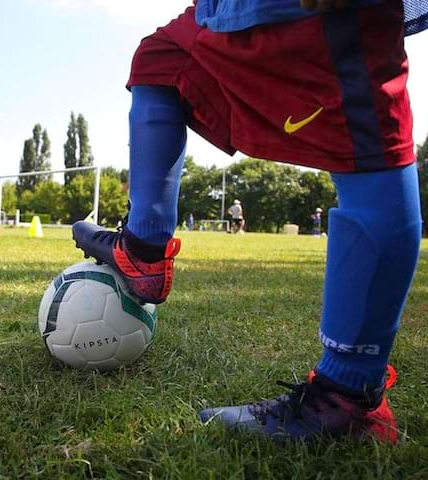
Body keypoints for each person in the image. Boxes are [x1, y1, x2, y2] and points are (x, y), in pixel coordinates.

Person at [72, 0, 426, 443]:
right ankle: (142, 250)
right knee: (161, 60)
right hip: (229, 9)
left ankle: (348, 396)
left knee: (370, 148)